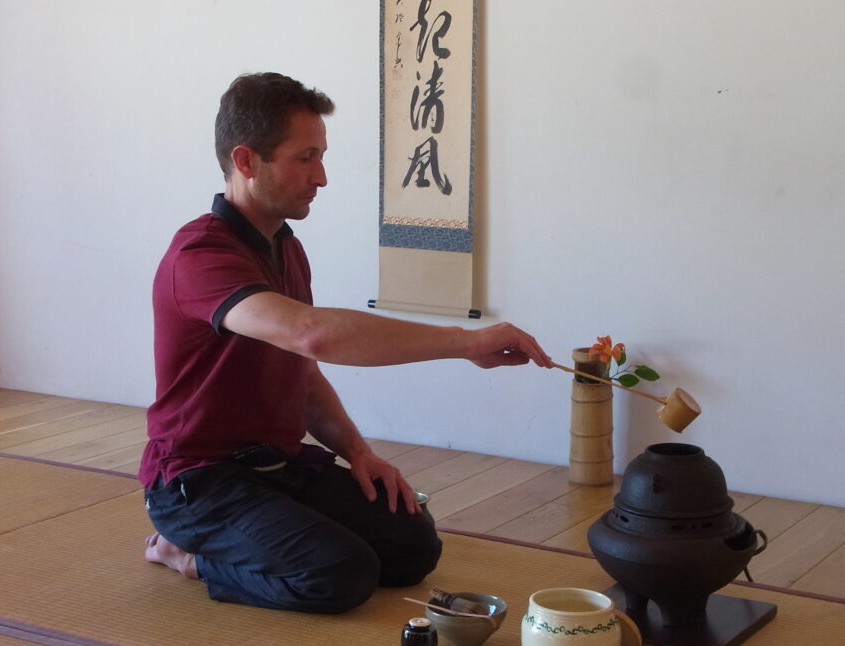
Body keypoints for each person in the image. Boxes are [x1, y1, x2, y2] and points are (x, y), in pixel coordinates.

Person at [140, 72, 552, 614]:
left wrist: (358, 452)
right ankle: (184, 554)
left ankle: (259, 534)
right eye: (305, 158)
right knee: (340, 574)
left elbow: (302, 374)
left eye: (322, 156)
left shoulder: (286, 248)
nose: (322, 177)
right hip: (200, 480)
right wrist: (464, 342)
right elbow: (314, 336)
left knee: (412, 545)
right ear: (245, 161)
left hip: (276, 467)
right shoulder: (199, 256)